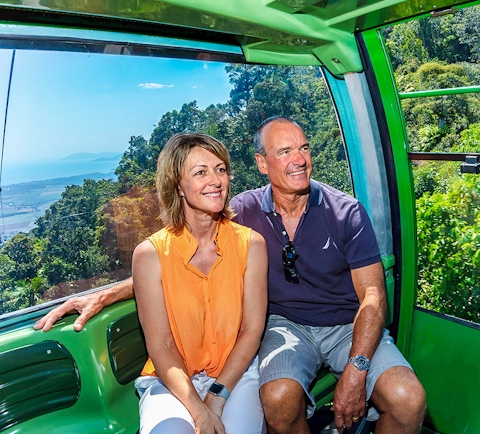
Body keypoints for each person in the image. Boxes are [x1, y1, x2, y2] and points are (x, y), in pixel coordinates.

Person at [35, 117, 426, 434]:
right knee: (278, 399)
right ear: (262, 163)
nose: (299, 160)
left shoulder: (346, 212)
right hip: (286, 325)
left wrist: (357, 370)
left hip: (346, 325)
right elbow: (178, 254)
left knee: (408, 400)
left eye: (304, 148)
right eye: (285, 151)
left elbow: (373, 297)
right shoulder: (241, 209)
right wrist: (106, 295)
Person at [131, 133, 267, 434]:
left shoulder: (251, 245)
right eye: (200, 172)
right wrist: (199, 412)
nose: (215, 180)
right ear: (177, 187)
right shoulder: (150, 255)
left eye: (220, 169)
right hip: (171, 380)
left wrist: (217, 399)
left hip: (235, 375)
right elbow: (162, 345)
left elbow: (251, 330)